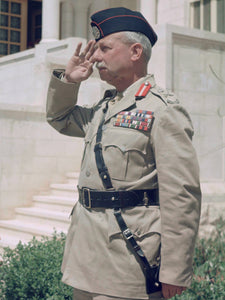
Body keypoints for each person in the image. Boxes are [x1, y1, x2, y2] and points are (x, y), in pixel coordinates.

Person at [46, 7, 201, 300]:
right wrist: (69, 81)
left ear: (135, 52)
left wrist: (174, 270)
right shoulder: (105, 108)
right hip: (86, 257)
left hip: (129, 261)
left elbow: (181, 194)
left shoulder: (162, 110)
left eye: (104, 48)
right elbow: (60, 118)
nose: (95, 57)